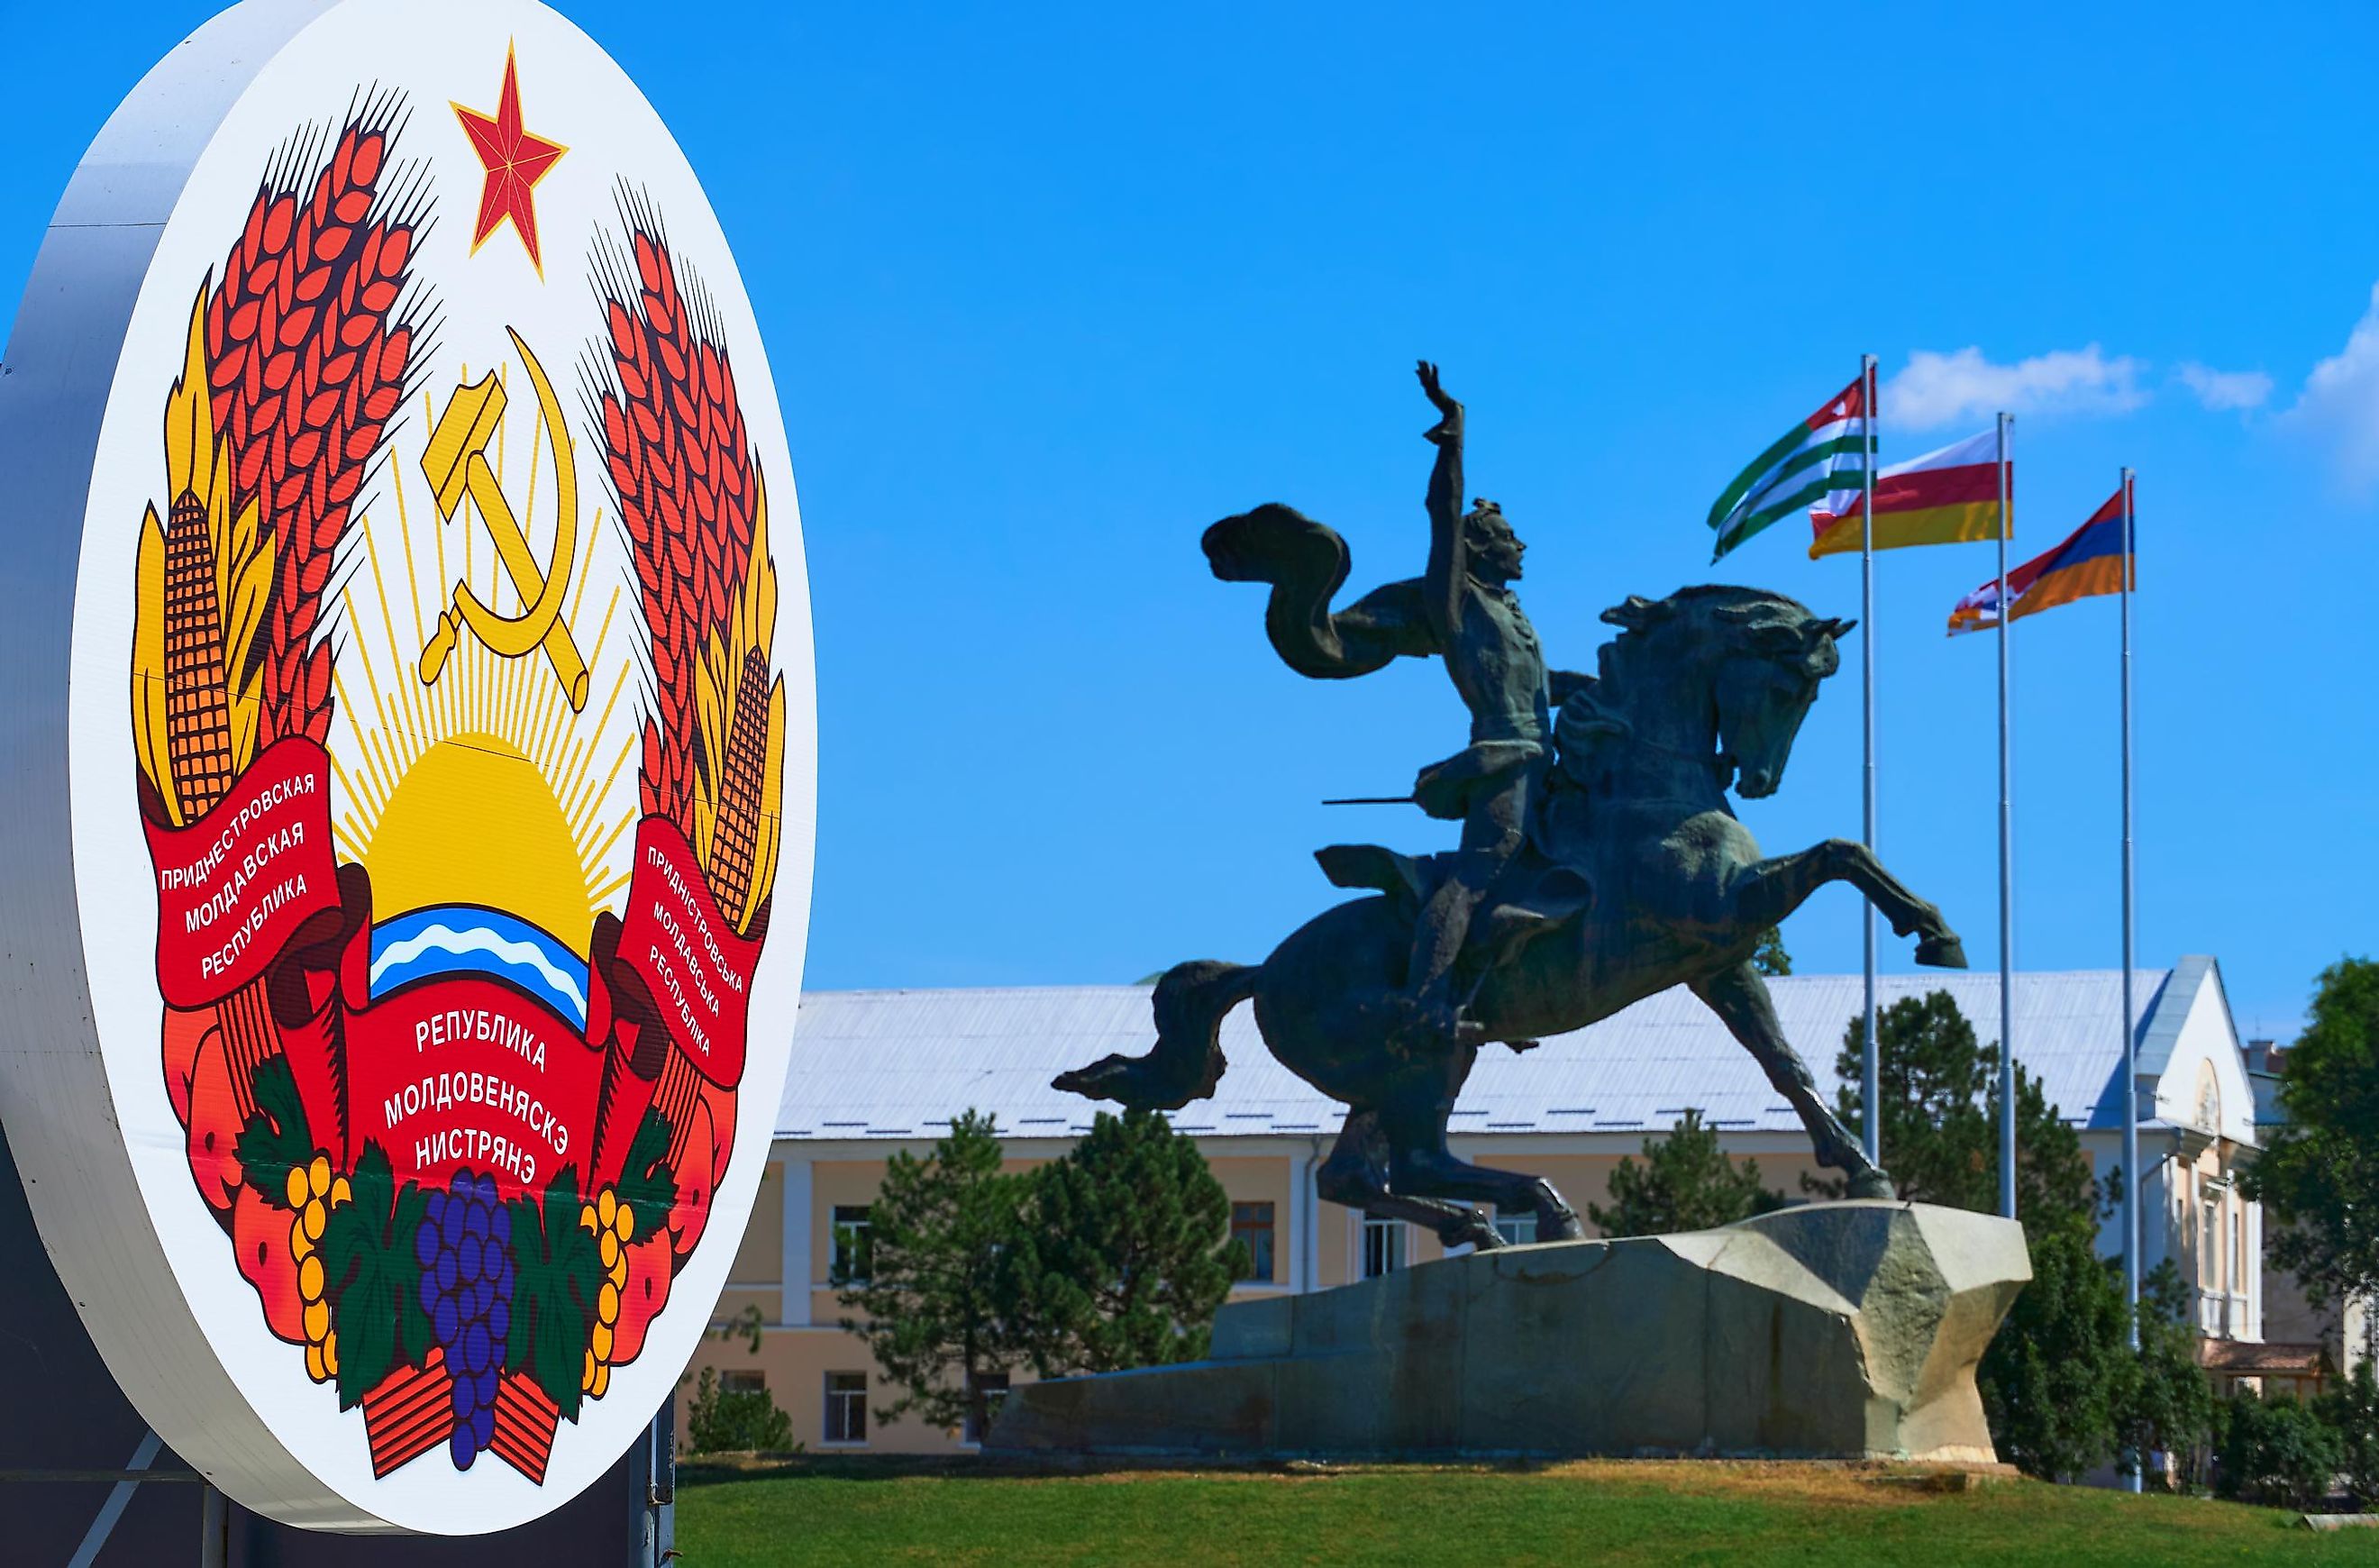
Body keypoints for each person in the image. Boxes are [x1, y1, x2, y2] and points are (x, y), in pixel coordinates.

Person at [1396, 360, 1554, 1045]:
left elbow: (1547, 690)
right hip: (1501, 756)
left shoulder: (1517, 614)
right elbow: (1442, 514)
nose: (1521, 546)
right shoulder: (1458, 602)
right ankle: (1427, 999)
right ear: (1482, 549)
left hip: (1544, 753)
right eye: (1510, 537)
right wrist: (1453, 437)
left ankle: (1512, 983)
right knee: (1482, 869)